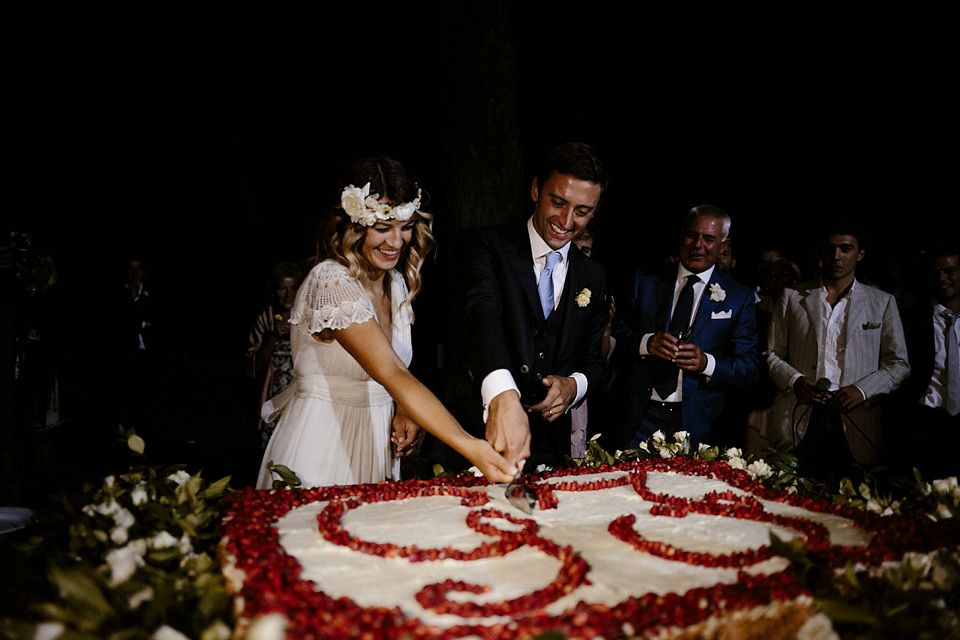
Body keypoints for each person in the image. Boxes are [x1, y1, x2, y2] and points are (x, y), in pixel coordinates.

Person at [256, 157, 515, 489]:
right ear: (353, 225)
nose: (396, 242)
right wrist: (470, 445)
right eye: (382, 228)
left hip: (376, 447)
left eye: (405, 226)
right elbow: (392, 370)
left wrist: (402, 406)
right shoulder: (331, 281)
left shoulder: (394, 282)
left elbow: (389, 378)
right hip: (322, 447)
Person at [442, 142, 608, 469]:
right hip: (470, 440)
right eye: (558, 203)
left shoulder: (593, 274)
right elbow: (481, 320)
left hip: (547, 453)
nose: (566, 220)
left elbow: (594, 359)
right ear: (535, 189)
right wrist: (503, 395)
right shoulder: (484, 246)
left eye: (582, 211)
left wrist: (574, 385)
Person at [767, 224, 909, 476]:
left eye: (845, 249)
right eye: (830, 249)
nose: (836, 257)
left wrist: (863, 390)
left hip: (856, 417)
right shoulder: (792, 297)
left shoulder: (882, 302)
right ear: (820, 253)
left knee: (852, 505)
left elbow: (898, 364)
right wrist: (796, 380)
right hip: (800, 414)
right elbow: (773, 354)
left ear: (860, 254)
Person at [613, 205, 759, 447]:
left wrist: (707, 364)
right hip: (640, 417)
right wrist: (646, 343)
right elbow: (616, 335)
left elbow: (749, 367)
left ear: (724, 245)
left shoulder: (739, 297)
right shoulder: (647, 280)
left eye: (709, 239)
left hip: (699, 423)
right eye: (692, 235)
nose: (697, 245)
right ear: (682, 234)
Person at [890, 246, 959, 478]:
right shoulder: (910, 319)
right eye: (936, 272)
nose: (942, 278)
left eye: (949, 271)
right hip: (925, 423)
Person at [246, 261, 303, 450]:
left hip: (301, 393)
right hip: (272, 393)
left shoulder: (308, 316)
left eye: (293, 288)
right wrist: (274, 336)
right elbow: (253, 366)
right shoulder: (266, 318)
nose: (288, 295)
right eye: (282, 289)